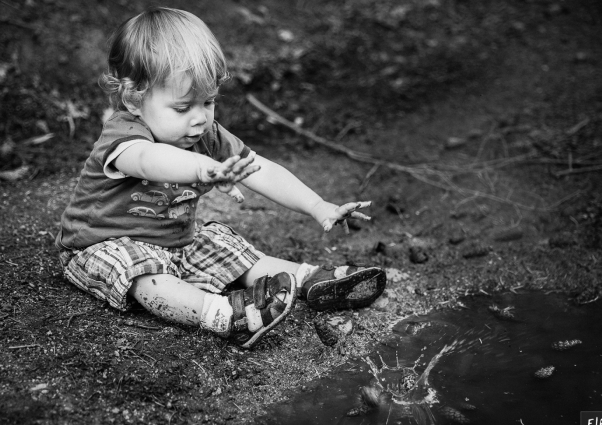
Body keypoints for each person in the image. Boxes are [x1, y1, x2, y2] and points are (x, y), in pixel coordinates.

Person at [56, 7, 386, 349]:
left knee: (222, 245)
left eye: (209, 102)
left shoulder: (206, 135)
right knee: (141, 271)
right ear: (133, 98)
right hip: (99, 248)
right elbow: (147, 160)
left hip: (174, 246)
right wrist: (203, 168)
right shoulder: (123, 135)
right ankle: (224, 315)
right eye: (183, 108)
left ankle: (309, 281)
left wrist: (318, 206)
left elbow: (262, 169)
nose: (200, 119)